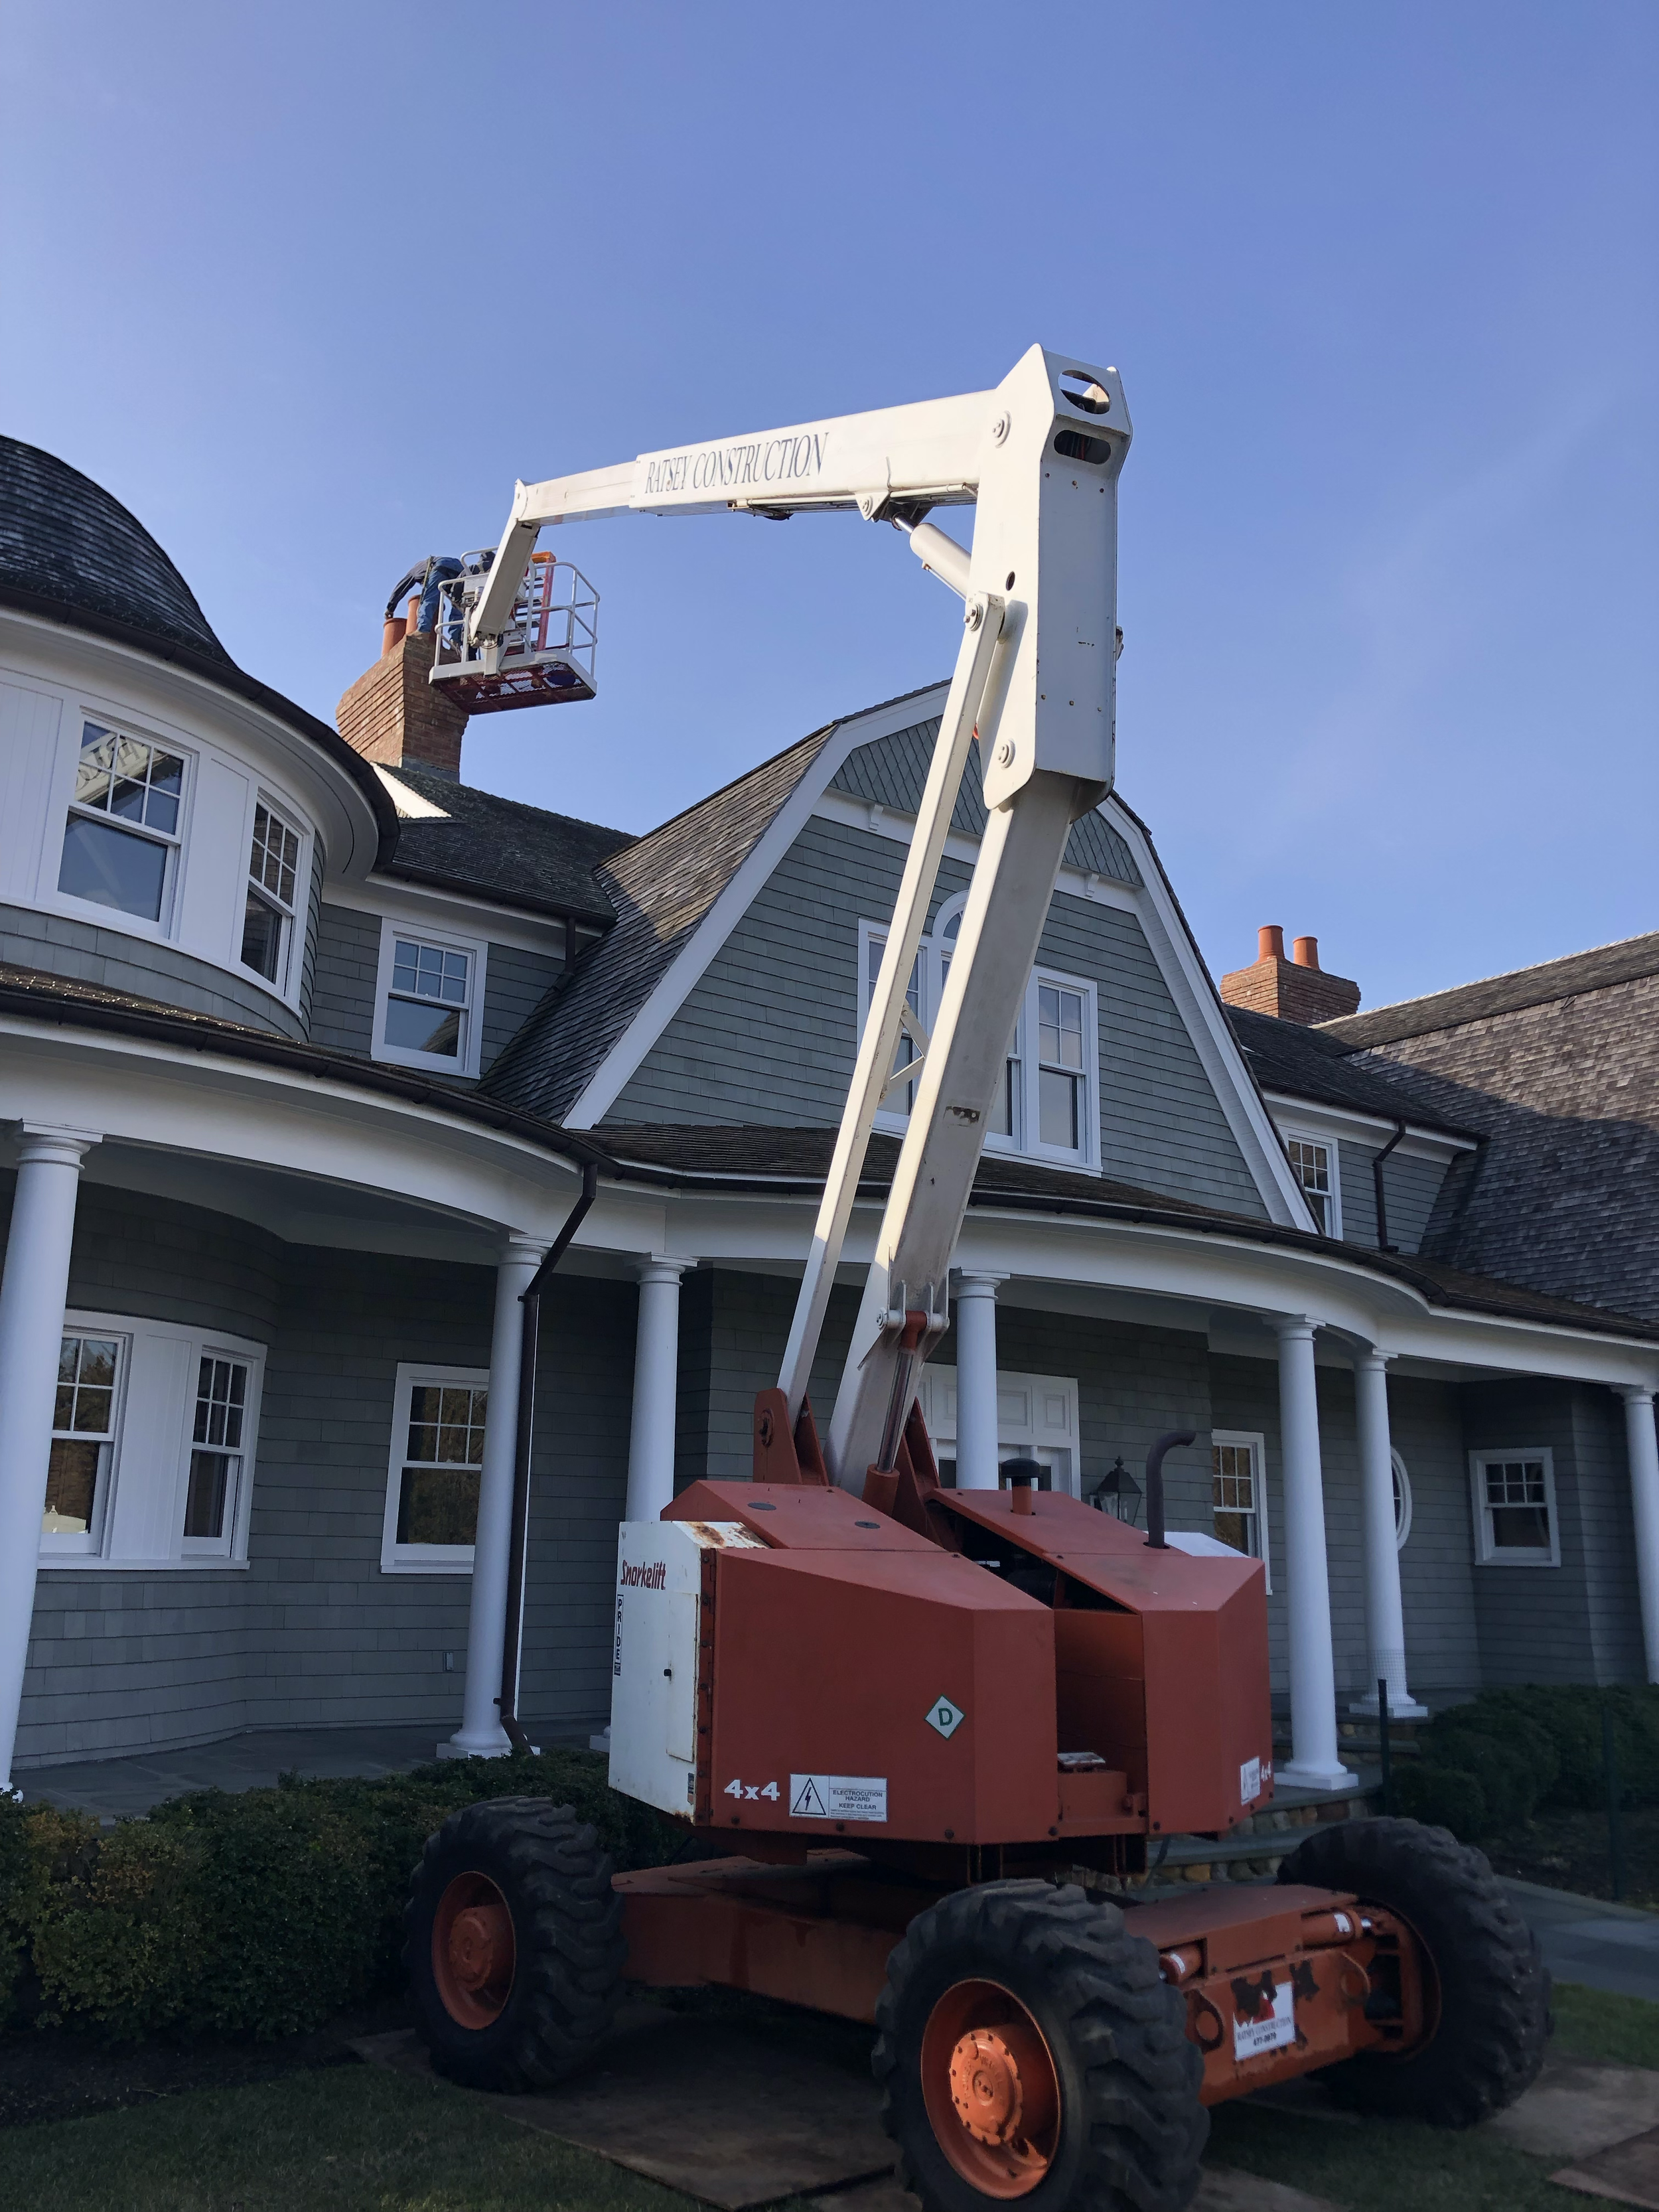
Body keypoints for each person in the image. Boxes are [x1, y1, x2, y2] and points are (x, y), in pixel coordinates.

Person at [383, 555, 464, 636]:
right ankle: (455, 640)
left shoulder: (415, 571)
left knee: (429, 599)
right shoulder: (424, 566)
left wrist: (390, 608)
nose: (422, 584)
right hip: (461, 570)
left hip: (441, 566)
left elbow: (401, 588)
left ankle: (423, 631)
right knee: (458, 605)